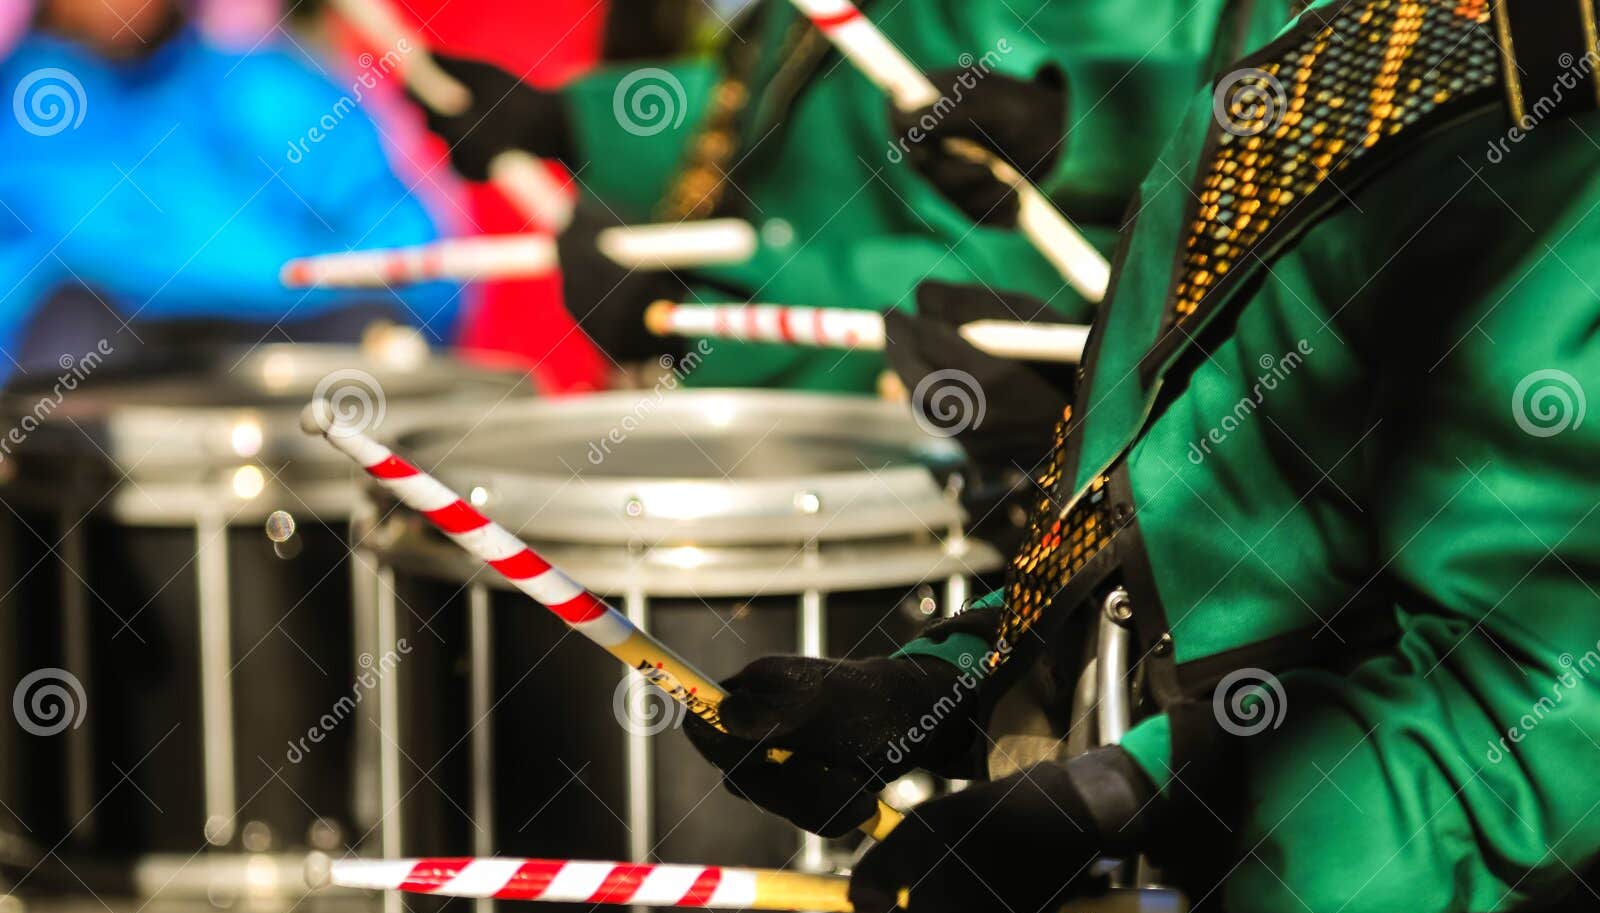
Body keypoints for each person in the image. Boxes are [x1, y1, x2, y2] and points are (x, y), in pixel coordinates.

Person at [688, 0, 1600, 913]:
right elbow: (1193, 467)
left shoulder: (1554, 114)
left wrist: (1124, 797)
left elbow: (1551, 713)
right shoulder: (1336, 27)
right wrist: (963, 677)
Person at [417, 0, 1275, 391]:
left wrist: (704, 308)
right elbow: (787, 106)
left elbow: (1043, 273)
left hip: (934, 465)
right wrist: (573, 123)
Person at [0, 0, 456, 382]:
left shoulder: (267, 88)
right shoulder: (19, 111)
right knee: (69, 332)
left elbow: (415, 259)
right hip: (103, 363)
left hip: (287, 348)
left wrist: (266, 278)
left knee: (374, 340)